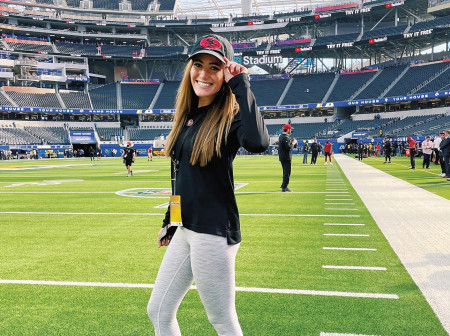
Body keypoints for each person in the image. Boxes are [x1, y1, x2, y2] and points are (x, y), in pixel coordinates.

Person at [147, 34, 269, 336]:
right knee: (158, 310)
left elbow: (258, 142)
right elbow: (180, 176)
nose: (204, 74)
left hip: (213, 233)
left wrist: (241, 84)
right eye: (198, 65)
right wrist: (171, 220)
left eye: (214, 67)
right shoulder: (188, 115)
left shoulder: (231, 117)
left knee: (222, 320)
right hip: (185, 229)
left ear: (225, 73)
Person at [278, 123, 297, 192]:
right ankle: (285, 187)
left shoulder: (281, 136)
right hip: (286, 157)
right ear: (288, 129)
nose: (290, 131)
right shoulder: (285, 137)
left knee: (285, 172)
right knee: (287, 173)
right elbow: (288, 148)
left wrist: (291, 142)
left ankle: (283, 185)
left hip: (283, 157)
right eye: (290, 129)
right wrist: (293, 143)